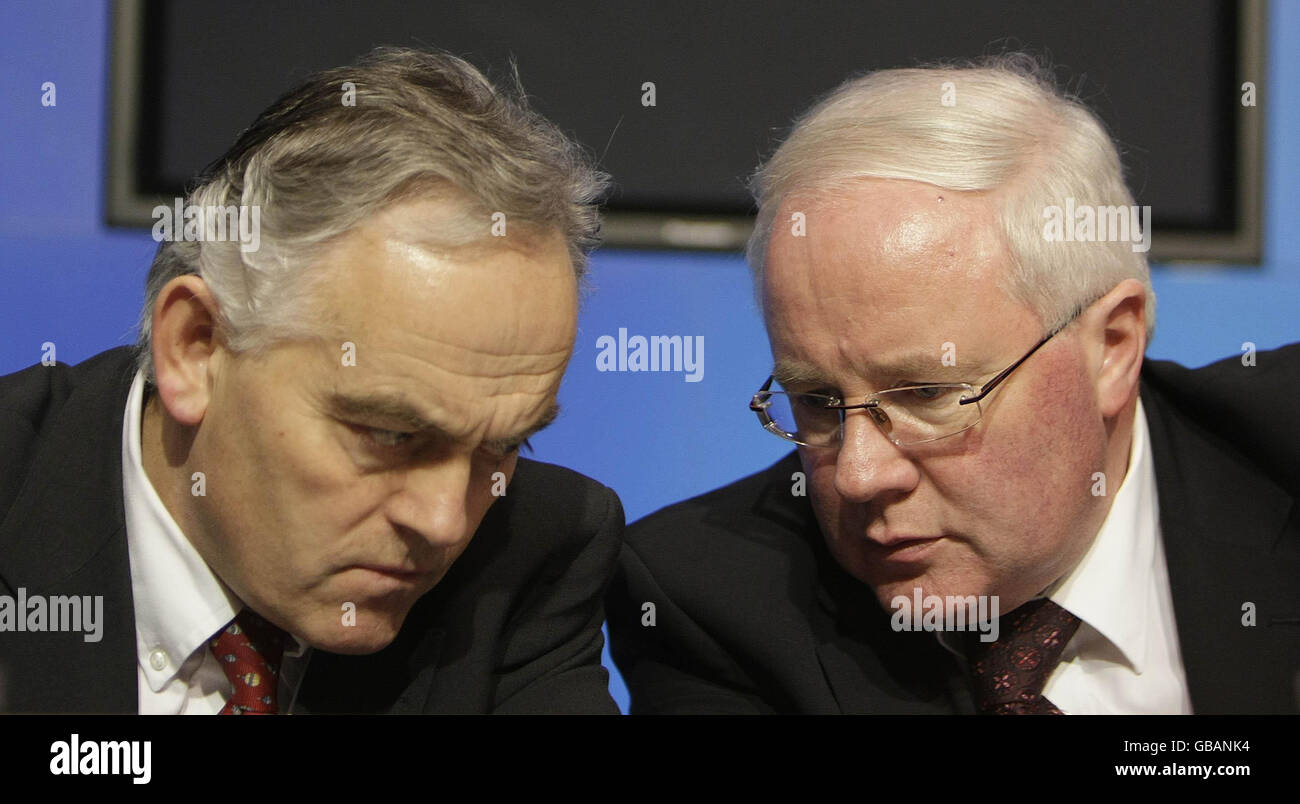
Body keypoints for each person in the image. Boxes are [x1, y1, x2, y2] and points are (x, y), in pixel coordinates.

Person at [606, 54, 1300, 714]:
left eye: (925, 395)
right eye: (816, 402)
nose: (858, 475)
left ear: (1112, 347)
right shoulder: (712, 600)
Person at [0, 47, 624, 714]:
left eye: (503, 446)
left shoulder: (529, 560)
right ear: (195, 348)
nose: (444, 522)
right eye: (390, 434)